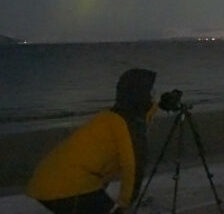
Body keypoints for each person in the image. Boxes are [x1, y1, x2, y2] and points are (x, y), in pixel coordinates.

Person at [26, 68, 158, 214]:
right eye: (151, 91)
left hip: (51, 180)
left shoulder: (114, 117)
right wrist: (125, 204)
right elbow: (134, 167)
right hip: (69, 187)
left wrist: (161, 104)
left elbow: (141, 112)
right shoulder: (126, 124)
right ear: (141, 94)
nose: (154, 94)